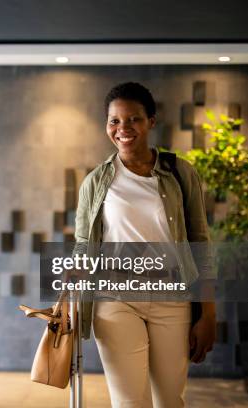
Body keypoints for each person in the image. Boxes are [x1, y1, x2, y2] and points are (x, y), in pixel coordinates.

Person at [74, 82, 216, 407]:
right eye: (114, 121)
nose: (123, 129)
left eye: (133, 119)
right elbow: (83, 246)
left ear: (151, 121)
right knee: (129, 403)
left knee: (169, 400)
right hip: (115, 300)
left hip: (173, 300)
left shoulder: (180, 172)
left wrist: (208, 313)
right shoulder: (95, 182)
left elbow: (200, 243)